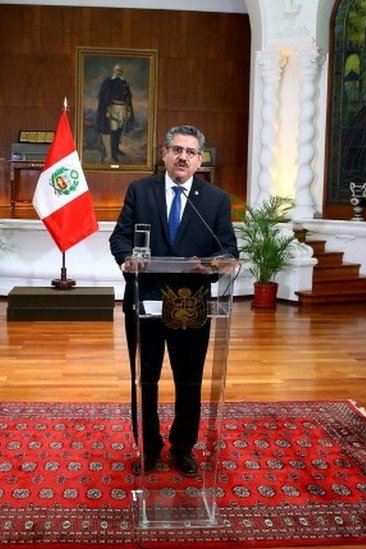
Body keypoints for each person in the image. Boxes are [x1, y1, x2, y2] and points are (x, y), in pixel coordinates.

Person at [109, 125, 239, 477]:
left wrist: (212, 264)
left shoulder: (215, 200)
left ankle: (183, 448)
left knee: (189, 381)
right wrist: (126, 259)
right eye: (176, 149)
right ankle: (148, 448)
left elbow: (228, 249)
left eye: (191, 152)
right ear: (164, 154)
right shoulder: (140, 191)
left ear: (199, 161)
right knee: (145, 380)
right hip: (146, 303)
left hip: (191, 307)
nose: (183, 156)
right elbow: (120, 237)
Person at [96, 64, 134, 163]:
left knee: (120, 130)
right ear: (114, 71)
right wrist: (107, 110)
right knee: (113, 130)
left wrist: (128, 110)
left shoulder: (124, 82)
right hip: (112, 108)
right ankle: (112, 154)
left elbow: (128, 98)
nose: (118, 72)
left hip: (122, 109)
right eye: (117, 70)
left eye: (120, 70)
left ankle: (116, 149)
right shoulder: (108, 82)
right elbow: (104, 98)